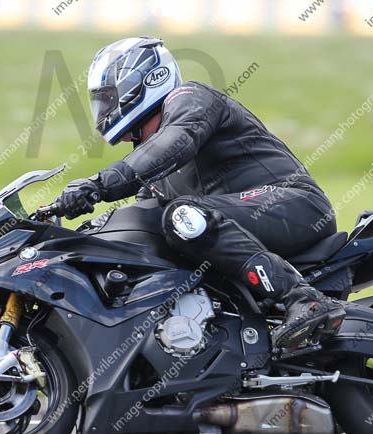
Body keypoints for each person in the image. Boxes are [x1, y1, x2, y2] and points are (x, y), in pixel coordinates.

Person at [54, 37, 345, 349]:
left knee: (182, 216)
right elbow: (139, 222)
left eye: (110, 97)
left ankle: (305, 300)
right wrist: (77, 238)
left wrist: (98, 184)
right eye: (102, 99)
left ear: (146, 79)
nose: (105, 107)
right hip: (235, 220)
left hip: (294, 203)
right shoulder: (151, 163)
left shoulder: (190, 99)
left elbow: (175, 143)